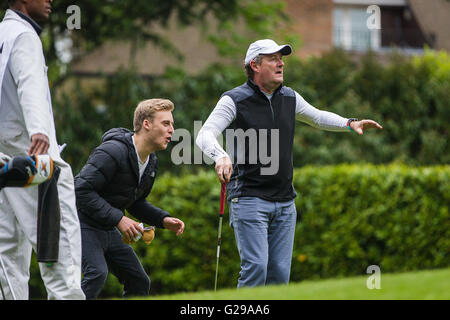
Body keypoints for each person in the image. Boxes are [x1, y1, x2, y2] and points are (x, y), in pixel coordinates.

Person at [196, 39, 382, 288]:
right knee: (256, 269)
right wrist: (220, 155)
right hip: (249, 198)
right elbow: (205, 134)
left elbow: (317, 117)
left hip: (285, 202)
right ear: (254, 65)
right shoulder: (234, 100)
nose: (281, 63)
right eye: (273, 58)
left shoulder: (289, 97)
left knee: (280, 276)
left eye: (281, 58)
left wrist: (350, 123)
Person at [0, 0, 85, 299]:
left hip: (4, 164)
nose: (50, 0)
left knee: (7, 255)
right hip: (35, 163)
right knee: (60, 252)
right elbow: (30, 83)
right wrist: (39, 130)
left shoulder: (2, 34)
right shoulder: (24, 35)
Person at [75, 98, 185, 299]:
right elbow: (80, 190)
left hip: (106, 226)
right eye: (166, 123)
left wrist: (162, 219)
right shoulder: (112, 151)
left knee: (139, 281)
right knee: (97, 274)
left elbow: (135, 202)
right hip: (80, 223)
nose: (172, 130)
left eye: (172, 125)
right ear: (146, 124)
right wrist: (119, 219)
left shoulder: (151, 161)